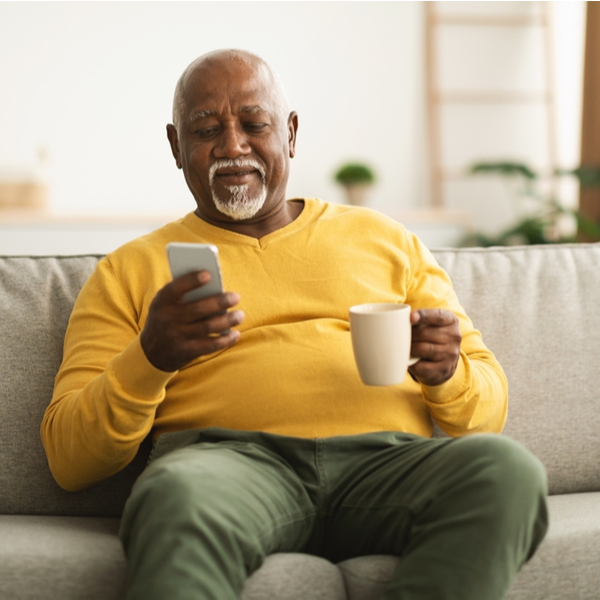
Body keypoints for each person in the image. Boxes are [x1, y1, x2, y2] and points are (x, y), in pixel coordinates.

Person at [41, 49, 548, 600]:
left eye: (254, 124)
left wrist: (447, 372)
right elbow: (70, 460)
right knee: (174, 495)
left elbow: (488, 411)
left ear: (291, 132)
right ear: (176, 147)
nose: (232, 145)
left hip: (385, 464)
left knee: (506, 471)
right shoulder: (129, 270)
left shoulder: (386, 240)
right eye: (206, 129)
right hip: (226, 470)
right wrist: (151, 357)